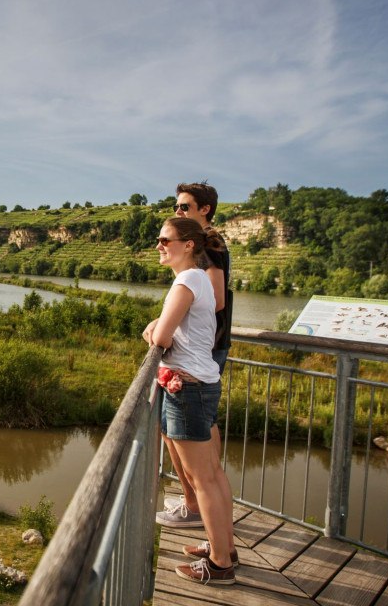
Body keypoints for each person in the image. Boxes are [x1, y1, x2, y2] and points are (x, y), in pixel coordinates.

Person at [142, 217, 236, 585]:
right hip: (203, 384)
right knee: (212, 475)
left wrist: (153, 328)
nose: (159, 246)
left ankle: (220, 565)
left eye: (166, 240)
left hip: (188, 390)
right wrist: (159, 324)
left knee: (204, 481)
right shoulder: (198, 280)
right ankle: (224, 548)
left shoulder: (186, 281)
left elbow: (161, 337)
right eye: (158, 240)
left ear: (189, 245)